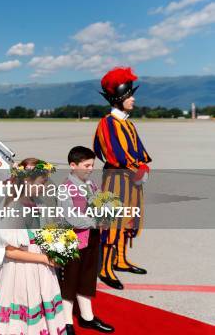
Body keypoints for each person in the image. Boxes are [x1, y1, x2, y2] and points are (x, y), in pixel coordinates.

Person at [0, 158, 67, 335]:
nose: (46, 184)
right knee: (26, 308)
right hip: (22, 271)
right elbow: (11, 252)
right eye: (43, 181)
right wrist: (44, 258)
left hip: (40, 266)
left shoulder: (37, 202)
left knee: (40, 305)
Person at [93, 67, 151, 290]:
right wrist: (137, 167)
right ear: (118, 98)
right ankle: (106, 268)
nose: (133, 99)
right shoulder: (108, 122)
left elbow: (139, 151)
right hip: (117, 179)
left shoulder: (127, 122)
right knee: (113, 223)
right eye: (129, 96)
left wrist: (142, 166)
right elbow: (113, 153)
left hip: (132, 180)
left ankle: (120, 259)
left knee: (128, 221)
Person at [58, 146, 114, 334]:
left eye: (92, 165)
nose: (90, 169)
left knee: (87, 279)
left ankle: (87, 317)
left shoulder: (91, 185)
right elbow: (69, 217)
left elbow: (100, 203)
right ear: (73, 165)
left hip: (91, 239)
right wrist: (96, 222)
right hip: (72, 241)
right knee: (69, 282)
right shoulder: (65, 188)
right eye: (87, 165)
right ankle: (66, 321)